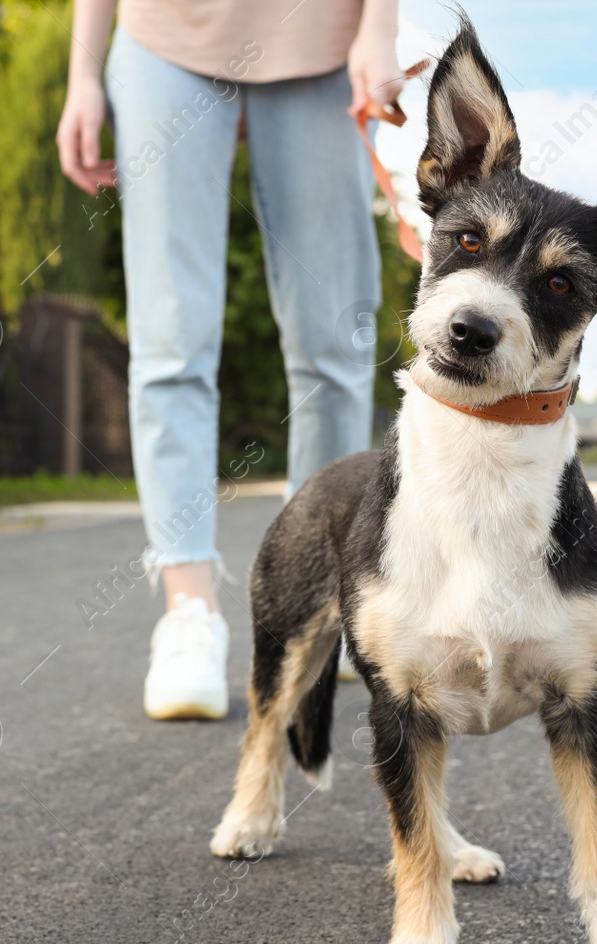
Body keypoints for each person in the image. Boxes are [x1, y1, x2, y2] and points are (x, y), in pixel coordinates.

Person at [58, 0, 406, 720]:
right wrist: (83, 74)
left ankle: (314, 598)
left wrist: (380, 28)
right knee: (170, 341)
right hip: (163, 39)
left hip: (321, 39)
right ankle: (188, 613)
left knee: (333, 343)